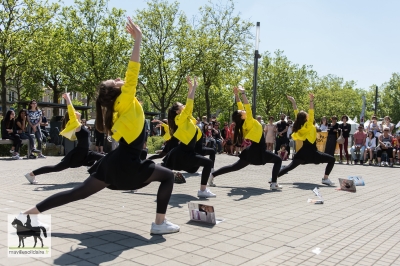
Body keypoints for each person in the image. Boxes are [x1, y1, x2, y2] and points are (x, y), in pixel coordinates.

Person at [20, 18, 179, 235]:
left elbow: (126, 80)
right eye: (115, 81)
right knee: (168, 176)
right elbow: (133, 70)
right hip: (127, 163)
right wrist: (138, 39)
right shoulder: (125, 98)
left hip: (114, 161)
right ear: (117, 91)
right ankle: (159, 224)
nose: (118, 78)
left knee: (79, 192)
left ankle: (30, 212)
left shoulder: (117, 108)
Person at [208, 86, 283, 190]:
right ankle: (273, 184)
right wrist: (243, 93)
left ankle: (212, 175)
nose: (243, 110)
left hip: (255, 150)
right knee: (278, 160)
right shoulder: (248, 121)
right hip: (257, 150)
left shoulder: (244, 121)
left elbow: (241, 106)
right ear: (242, 116)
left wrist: (236, 95)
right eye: (241, 112)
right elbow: (247, 106)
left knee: (234, 167)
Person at [24, 93, 105, 184]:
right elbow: (71, 109)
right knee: (56, 168)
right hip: (79, 153)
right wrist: (68, 98)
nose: (76, 111)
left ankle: (96, 176)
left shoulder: (80, 124)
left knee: (104, 158)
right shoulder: (76, 125)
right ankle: (31, 174)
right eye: (74, 112)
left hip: (86, 152)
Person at [163, 76, 216, 198]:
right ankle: (202, 191)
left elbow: (188, 107)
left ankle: (202, 190)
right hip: (183, 152)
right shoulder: (179, 119)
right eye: (181, 105)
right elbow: (189, 104)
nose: (184, 105)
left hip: (188, 151)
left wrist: (192, 87)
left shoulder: (186, 119)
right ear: (177, 111)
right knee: (207, 163)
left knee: (206, 162)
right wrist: (193, 89)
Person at [277, 94, 335, 186]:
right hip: (312, 152)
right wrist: (311, 100)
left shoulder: (299, 125)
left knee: (290, 166)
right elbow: (311, 111)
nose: (308, 115)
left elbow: (297, 114)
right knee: (332, 159)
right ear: (306, 118)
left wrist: (293, 102)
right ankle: (325, 178)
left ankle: (274, 177)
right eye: (307, 115)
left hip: (303, 153)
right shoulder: (308, 124)